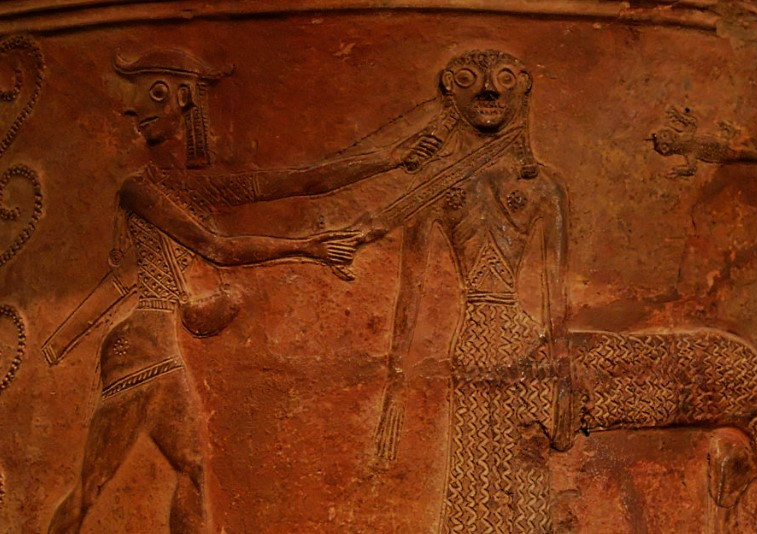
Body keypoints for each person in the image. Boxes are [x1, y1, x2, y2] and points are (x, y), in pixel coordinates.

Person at [46, 49, 404, 533]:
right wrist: (307, 247)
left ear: (185, 99)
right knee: (91, 486)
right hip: (138, 349)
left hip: (162, 347)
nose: (133, 108)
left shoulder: (197, 190)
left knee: (192, 469)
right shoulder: (138, 190)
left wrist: (390, 159)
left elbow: (304, 180)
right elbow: (218, 248)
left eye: (154, 93)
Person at [366, 49, 573, 533]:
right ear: (449, 88)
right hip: (476, 347)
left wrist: (563, 382)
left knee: (523, 474)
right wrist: (395, 383)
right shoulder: (438, 185)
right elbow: (411, 291)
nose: (489, 90)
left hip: (519, 347)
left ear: (522, 88)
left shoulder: (544, 186)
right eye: (471, 80)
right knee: (473, 474)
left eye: (503, 80)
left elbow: (556, 296)